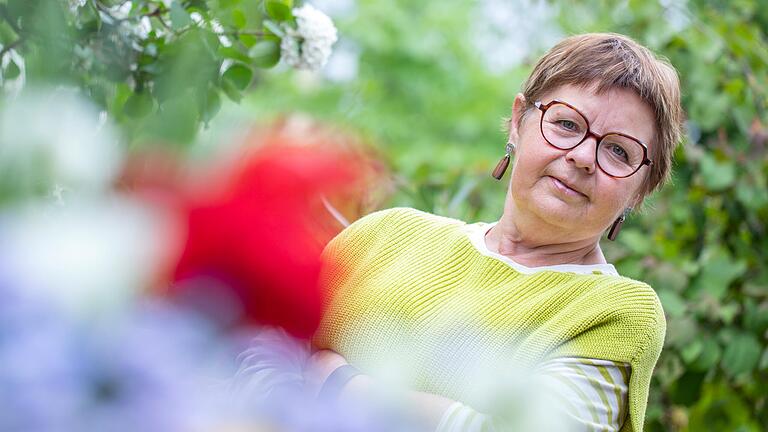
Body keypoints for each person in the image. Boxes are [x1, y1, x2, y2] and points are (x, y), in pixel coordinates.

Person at [306, 33, 684, 432]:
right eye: (567, 124)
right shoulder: (386, 235)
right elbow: (255, 343)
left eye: (618, 151)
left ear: (641, 188)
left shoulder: (616, 313)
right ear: (520, 121)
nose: (583, 157)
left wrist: (337, 381)